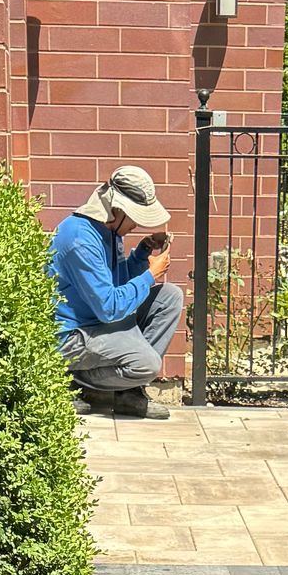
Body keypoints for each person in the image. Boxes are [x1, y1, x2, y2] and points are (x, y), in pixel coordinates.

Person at [48, 164, 184, 421]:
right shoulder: (80, 240)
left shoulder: (108, 230)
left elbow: (115, 283)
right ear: (118, 208)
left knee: (169, 297)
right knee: (147, 364)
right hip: (71, 336)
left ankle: (129, 393)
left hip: (97, 324)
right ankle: (69, 381)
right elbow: (110, 308)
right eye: (136, 218)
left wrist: (143, 252)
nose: (137, 225)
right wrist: (149, 275)